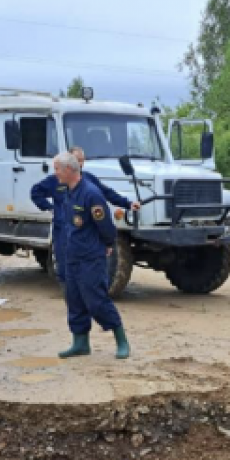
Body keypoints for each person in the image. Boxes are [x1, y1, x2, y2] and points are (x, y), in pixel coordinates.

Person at [53, 152, 131, 360]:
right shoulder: (67, 191)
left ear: (69, 170)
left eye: (57, 169)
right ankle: (80, 343)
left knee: (96, 299)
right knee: (74, 299)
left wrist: (108, 244)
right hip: (72, 255)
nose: (55, 174)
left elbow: (105, 225)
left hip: (90, 256)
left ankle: (121, 339)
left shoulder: (91, 193)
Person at [31, 147, 138, 281]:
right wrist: (49, 207)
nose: (80, 163)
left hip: (81, 233)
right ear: (69, 162)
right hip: (62, 231)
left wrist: (127, 203)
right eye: (77, 160)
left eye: (82, 160)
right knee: (64, 271)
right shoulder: (56, 180)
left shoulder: (89, 180)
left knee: (86, 273)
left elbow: (107, 193)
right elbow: (35, 192)